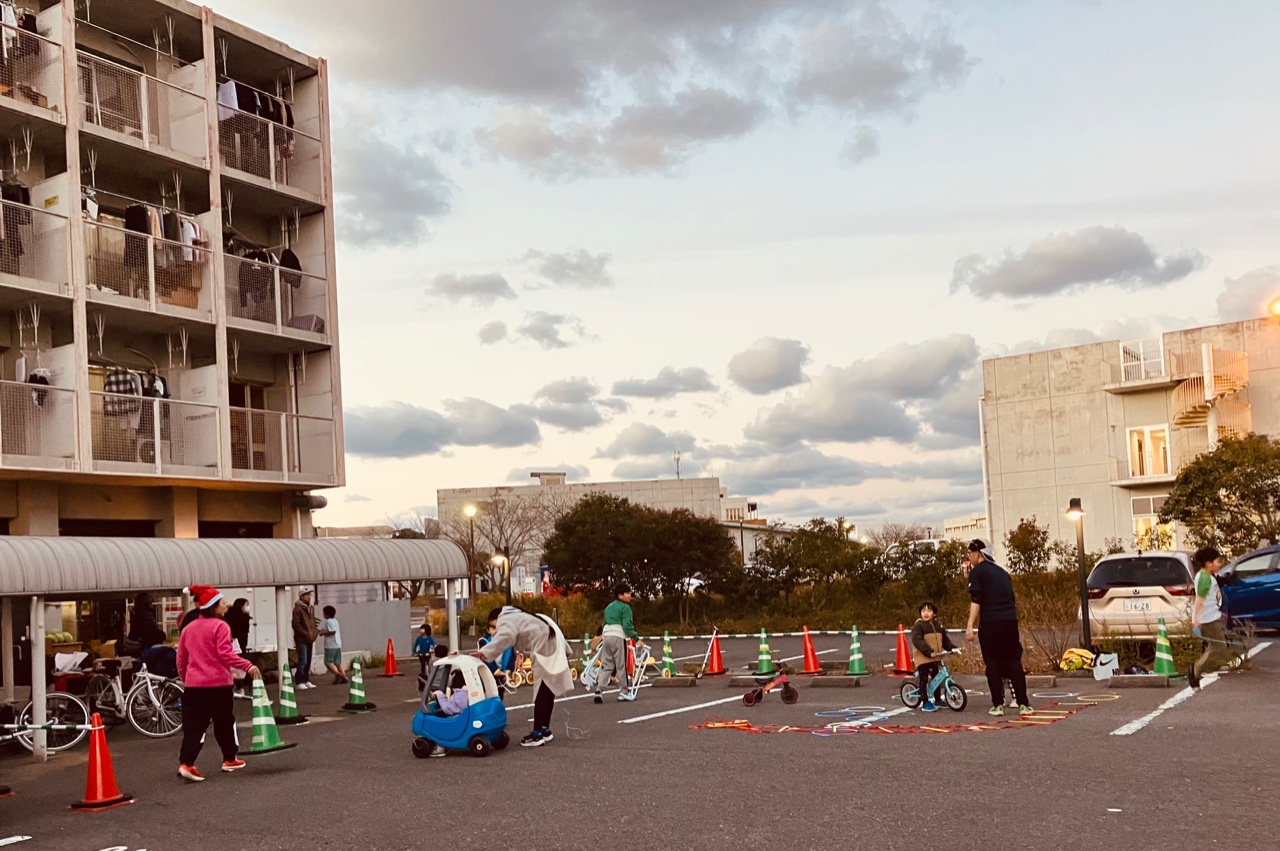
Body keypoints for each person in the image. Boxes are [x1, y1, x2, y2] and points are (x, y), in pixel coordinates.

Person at [175, 585, 259, 783]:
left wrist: (186, 678)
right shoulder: (221, 626)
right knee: (224, 723)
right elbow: (225, 654)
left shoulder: (188, 628)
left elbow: (181, 658)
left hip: (194, 686)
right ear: (213, 606)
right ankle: (229, 759)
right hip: (219, 684)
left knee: (194, 726)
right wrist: (247, 665)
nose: (225, 605)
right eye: (222, 602)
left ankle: (186, 762)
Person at [472, 606, 574, 747]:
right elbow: (551, 626)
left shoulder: (506, 618)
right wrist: (565, 649)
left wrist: (484, 653)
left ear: (499, 618)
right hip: (552, 643)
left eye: (495, 627)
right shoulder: (520, 614)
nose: (495, 632)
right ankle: (544, 729)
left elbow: (506, 637)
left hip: (544, 646)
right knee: (548, 689)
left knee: (541, 689)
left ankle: (537, 734)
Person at [964, 540, 1033, 717]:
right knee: (1013, 661)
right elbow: (1011, 598)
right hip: (1010, 621)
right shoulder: (1002, 572)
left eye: (970, 553)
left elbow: (976, 600)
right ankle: (1023, 704)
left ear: (978, 554)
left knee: (993, 663)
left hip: (990, 622)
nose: (969, 557)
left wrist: (970, 624)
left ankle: (998, 705)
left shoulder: (977, 572)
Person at [1188, 547, 1236, 688]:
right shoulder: (1205, 578)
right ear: (1208, 563)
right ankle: (1197, 669)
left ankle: (1198, 670)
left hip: (1211, 617)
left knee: (1217, 646)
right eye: (1218, 561)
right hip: (1207, 619)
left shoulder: (1207, 576)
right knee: (1218, 646)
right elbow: (1200, 600)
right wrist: (1196, 620)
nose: (1220, 564)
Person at [593, 583, 645, 703]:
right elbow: (627, 626)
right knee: (621, 665)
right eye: (627, 593)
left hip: (606, 636)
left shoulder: (609, 607)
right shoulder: (626, 608)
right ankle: (624, 691)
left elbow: (603, 623)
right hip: (618, 636)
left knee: (607, 664)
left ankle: (599, 690)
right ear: (620, 595)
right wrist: (637, 639)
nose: (630, 595)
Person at [910, 601, 957, 712]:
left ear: (934, 613)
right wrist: (928, 651)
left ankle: (937, 699)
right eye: (923, 611)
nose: (926, 613)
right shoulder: (919, 626)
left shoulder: (938, 625)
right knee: (924, 679)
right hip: (923, 657)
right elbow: (917, 640)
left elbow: (945, 640)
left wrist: (952, 648)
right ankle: (925, 702)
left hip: (935, 657)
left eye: (929, 611)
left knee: (936, 678)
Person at [478, 616, 516, 702]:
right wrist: (496, 670)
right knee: (487, 696)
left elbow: (512, 659)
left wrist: (508, 671)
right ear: (488, 630)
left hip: (502, 676)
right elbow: (485, 659)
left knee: (499, 696)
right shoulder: (484, 642)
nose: (497, 631)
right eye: (493, 628)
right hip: (488, 674)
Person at [224, 599, 253, 699]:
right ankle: (239, 686)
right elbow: (244, 632)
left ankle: (236, 686)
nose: (247, 607)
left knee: (233, 666)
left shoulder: (229, 616)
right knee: (238, 665)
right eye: (246, 605)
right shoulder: (242, 618)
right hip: (237, 645)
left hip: (234, 644)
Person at [291, 588, 319, 690]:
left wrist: (314, 632)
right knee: (303, 659)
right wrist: (306, 633)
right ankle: (299, 681)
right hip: (302, 639)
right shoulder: (298, 609)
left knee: (308, 660)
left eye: (309, 595)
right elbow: (295, 624)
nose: (309, 597)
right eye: (307, 595)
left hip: (310, 637)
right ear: (301, 597)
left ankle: (306, 680)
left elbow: (312, 622)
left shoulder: (310, 608)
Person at [319, 605, 347, 685]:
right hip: (337, 644)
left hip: (330, 645)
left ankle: (338, 674)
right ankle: (344, 676)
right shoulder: (335, 621)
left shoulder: (329, 621)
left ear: (327, 614)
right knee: (337, 662)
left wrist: (322, 633)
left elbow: (332, 631)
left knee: (328, 662)